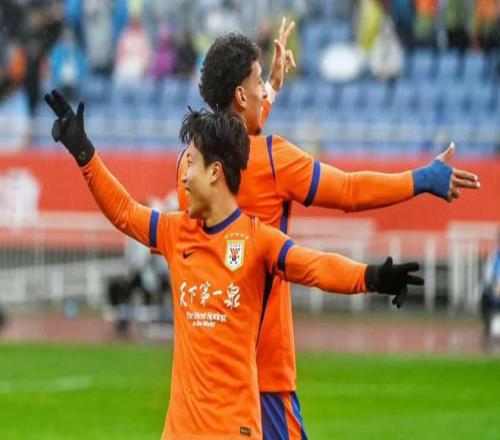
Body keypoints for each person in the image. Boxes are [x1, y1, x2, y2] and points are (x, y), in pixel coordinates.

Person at [45, 89, 423, 439]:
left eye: (190, 164)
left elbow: (315, 266)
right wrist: (83, 152)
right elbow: (125, 212)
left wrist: (373, 276)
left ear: (215, 172)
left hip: (234, 431)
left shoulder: (258, 241)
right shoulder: (176, 233)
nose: (183, 177)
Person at [176, 22, 481, 438]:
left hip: (208, 373)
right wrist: (422, 178)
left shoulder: (189, 167)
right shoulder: (274, 158)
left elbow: (236, 139)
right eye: (258, 82)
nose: (265, 90)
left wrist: (272, 88)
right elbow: (350, 191)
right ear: (241, 96)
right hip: (264, 370)